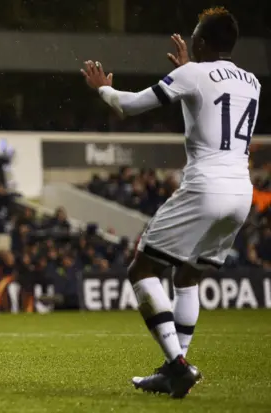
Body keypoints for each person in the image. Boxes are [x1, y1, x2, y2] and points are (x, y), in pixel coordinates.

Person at [81, 7, 260, 399]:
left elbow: (128, 106)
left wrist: (102, 89)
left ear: (203, 43)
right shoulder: (252, 81)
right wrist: (188, 71)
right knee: (187, 277)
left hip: (205, 186)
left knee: (141, 269)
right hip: (241, 192)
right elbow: (209, 108)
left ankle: (177, 365)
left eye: (196, 35)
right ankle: (174, 367)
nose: (191, 40)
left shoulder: (192, 73)